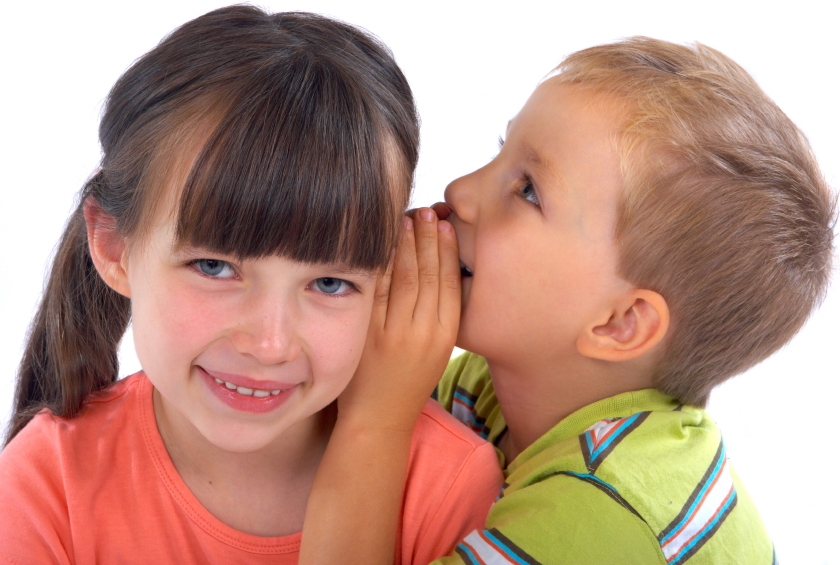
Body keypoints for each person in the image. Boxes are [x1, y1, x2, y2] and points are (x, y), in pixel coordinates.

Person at [0, 6, 502, 564]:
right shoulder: (50, 482)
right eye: (214, 267)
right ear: (115, 247)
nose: (269, 344)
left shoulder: (448, 485)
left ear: (390, 276)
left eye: (330, 282)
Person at [298, 37, 837, 564]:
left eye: (528, 190)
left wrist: (378, 420)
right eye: (499, 151)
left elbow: (370, 425)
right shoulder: (490, 387)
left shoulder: (605, 511)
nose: (461, 190)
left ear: (620, 324)